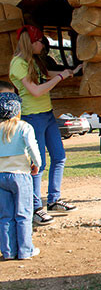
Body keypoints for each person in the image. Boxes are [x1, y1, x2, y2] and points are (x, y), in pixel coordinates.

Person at [9, 25, 79, 227]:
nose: (43, 45)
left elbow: (47, 73)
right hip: (33, 117)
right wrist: (61, 77)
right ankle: (35, 207)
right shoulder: (18, 63)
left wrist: (71, 71)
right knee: (38, 164)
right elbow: (36, 91)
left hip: (47, 115)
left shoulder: (34, 62)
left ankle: (54, 200)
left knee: (59, 156)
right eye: (41, 41)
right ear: (30, 42)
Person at [0, 92, 41, 260]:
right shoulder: (24, 127)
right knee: (23, 213)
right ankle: (25, 250)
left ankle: (8, 251)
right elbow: (32, 147)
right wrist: (36, 164)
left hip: (1, 175)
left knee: (5, 215)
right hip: (20, 175)